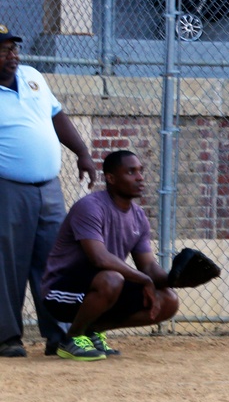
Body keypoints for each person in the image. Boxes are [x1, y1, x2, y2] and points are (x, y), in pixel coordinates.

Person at [0, 25, 97, 359]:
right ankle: (7, 337)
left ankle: (60, 334)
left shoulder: (32, 76)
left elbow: (56, 115)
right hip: (7, 188)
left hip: (49, 188)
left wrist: (82, 152)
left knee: (56, 262)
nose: (12, 56)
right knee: (6, 264)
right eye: (4, 50)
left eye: (14, 48)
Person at [40, 150, 179, 361]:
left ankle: (91, 331)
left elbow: (148, 266)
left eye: (141, 171)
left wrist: (176, 279)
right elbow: (99, 258)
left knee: (168, 299)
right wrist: (144, 280)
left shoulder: (138, 216)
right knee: (112, 279)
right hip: (61, 291)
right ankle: (72, 339)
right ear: (111, 178)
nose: (140, 177)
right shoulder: (90, 207)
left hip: (104, 286)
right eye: (131, 172)